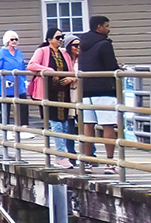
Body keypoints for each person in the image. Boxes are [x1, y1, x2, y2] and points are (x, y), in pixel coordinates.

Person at [77, 15, 121, 173]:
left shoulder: (83, 44)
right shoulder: (104, 44)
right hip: (103, 89)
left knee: (88, 126)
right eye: (107, 26)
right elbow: (111, 67)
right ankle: (110, 162)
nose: (108, 29)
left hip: (86, 89)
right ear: (99, 27)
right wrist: (119, 70)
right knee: (107, 125)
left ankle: (87, 162)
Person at [28, 28, 76, 167]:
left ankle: (62, 156)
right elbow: (32, 65)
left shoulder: (64, 54)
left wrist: (69, 79)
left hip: (63, 92)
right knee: (55, 124)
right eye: (57, 37)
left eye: (62, 37)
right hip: (48, 92)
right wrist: (49, 70)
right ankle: (61, 155)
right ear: (49, 39)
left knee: (65, 124)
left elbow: (71, 71)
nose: (60, 40)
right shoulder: (42, 51)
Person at [0, 30, 29, 129]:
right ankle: (6, 127)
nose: (14, 41)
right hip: (6, 83)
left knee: (23, 104)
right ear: (7, 41)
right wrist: (2, 79)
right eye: (12, 39)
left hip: (19, 82)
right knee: (6, 107)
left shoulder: (18, 53)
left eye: (16, 39)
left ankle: (23, 126)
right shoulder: (1, 53)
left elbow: (22, 66)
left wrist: (25, 80)